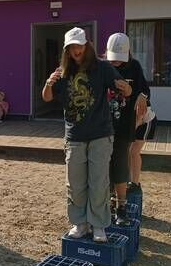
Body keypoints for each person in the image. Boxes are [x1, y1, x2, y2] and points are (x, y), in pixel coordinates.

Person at [43, 27, 131, 243]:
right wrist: (48, 83)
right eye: (72, 47)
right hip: (74, 136)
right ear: (67, 50)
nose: (76, 50)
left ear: (87, 45)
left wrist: (126, 89)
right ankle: (80, 223)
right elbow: (46, 97)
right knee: (75, 184)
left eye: (79, 45)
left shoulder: (102, 67)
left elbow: (126, 90)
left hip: (100, 134)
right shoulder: (62, 72)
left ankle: (99, 225)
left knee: (99, 183)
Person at [104, 33, 150, 225]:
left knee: (121, 163)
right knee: (104, 166)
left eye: (119, 59)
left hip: (124, 125)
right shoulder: (102, 66)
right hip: (103, 126)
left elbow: (144, 90)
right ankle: (106, 204)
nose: (115, 62)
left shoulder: (134, 66)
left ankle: (121, 206)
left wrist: (141, 96)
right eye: (112, 58)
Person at [128, 102, 157, 197]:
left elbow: (140, 116)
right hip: (134, 122)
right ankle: (129, 179)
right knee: (128, 151)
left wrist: (130, 132)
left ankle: (135, 183)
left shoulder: (140, 96)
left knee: (134, 152)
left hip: (145, 121)